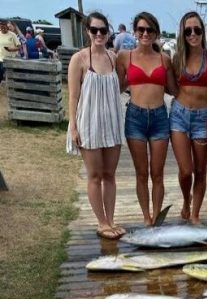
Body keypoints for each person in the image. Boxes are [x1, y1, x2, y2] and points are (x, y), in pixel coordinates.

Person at [66, 12, 126, 240]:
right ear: (87, 32)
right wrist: (73, 127)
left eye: (103, 30)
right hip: (88, 123)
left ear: (109, 31)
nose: (99, 34)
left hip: (111, 124)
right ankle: (101, 223)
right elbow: (73, 96)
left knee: (109, 174)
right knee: (94, 175)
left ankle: (110, 220)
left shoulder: (113, 57)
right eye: (94, 30)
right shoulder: (79, 59)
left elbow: (118, 88)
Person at [116, 12, 175, 226]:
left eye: (149, 30)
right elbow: (116, 85)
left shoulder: (165, 59)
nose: (145, 33)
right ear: (135, 31)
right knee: (141, 173)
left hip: (160, 117)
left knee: (157, 173)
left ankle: (157, 218)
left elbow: (175, 89)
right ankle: (146, 218)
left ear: (156, 33)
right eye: (141, 29)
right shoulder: (124, 56)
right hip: (135, 117)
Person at [170, 11, 207, 224]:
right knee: (185, 171)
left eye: (197, 29)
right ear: (183, 33)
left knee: (200, 171)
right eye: (188, 30)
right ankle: (186, 200)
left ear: (203, 31)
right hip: (179, 115)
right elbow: (170, 86)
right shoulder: (177, 58)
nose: (193, 34)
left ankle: (195, 214)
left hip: (203, 117)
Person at [0, 19, 20, 84]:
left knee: (6, 76)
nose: (2, 27)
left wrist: (11, 49)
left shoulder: (12, 35)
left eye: (4, 25)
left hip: (8, 59)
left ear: (7, 26)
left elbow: (19, 46)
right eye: (1, 25)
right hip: (0, 59)